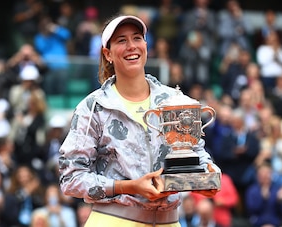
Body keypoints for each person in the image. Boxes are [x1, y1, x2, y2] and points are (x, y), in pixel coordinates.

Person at [58, 14, 220, 227]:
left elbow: (196, 154)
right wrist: (130, 186)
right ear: (107, 54)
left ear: (145, 45)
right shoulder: (93, 107)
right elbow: (71, 179)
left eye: (137, 38)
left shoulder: (175, 100)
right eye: (121, 40)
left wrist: (209, 174)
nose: (131, 46)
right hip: (113, 221)